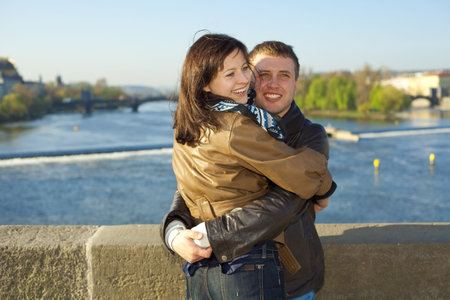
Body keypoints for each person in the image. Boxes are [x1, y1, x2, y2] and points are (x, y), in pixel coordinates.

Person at [164, 34, 335, 299]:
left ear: (297, 84)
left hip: (291, 282)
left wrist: (211, 234)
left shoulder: (310, 135)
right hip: (236, 272)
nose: (273, 84)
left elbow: (286, 202)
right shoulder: (231, 123)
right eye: (262, 73)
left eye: (284, 75)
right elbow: (196, 186)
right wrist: (174, 231)